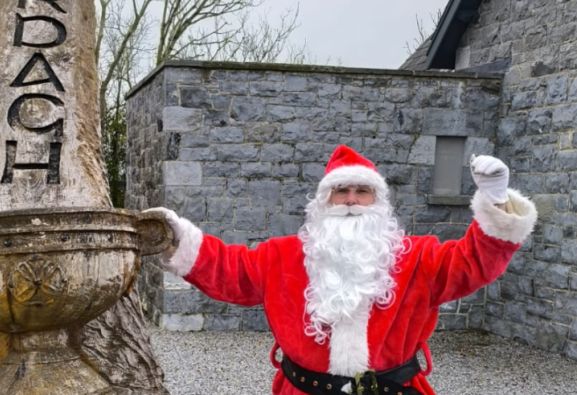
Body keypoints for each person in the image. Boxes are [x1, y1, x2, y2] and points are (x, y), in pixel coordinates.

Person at [146, 145, 537, 395]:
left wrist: (496, 201)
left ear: (377, 200)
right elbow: (229, 270)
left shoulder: (418, 257)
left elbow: (474, 262)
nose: (351, 200)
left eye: (361, 191)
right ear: (325, 200)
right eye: (341, 191)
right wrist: (176, 237)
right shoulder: (282, 256)